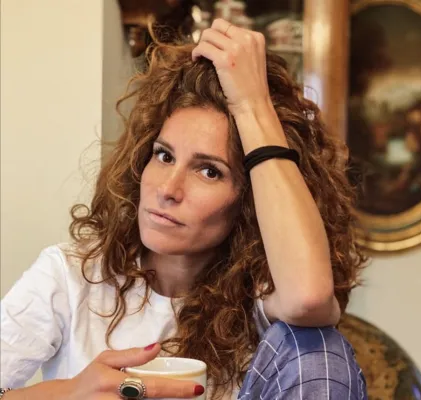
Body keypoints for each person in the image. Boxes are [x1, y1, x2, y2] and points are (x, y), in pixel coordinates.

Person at [1, 19, 367, 399]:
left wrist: (252, 106)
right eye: (164, 156)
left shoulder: (262, 298)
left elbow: (308, 297)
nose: (168, 190)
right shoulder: (70, 277)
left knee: (321, 349)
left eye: (209, 171)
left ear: (249, 202)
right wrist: (70, 392)